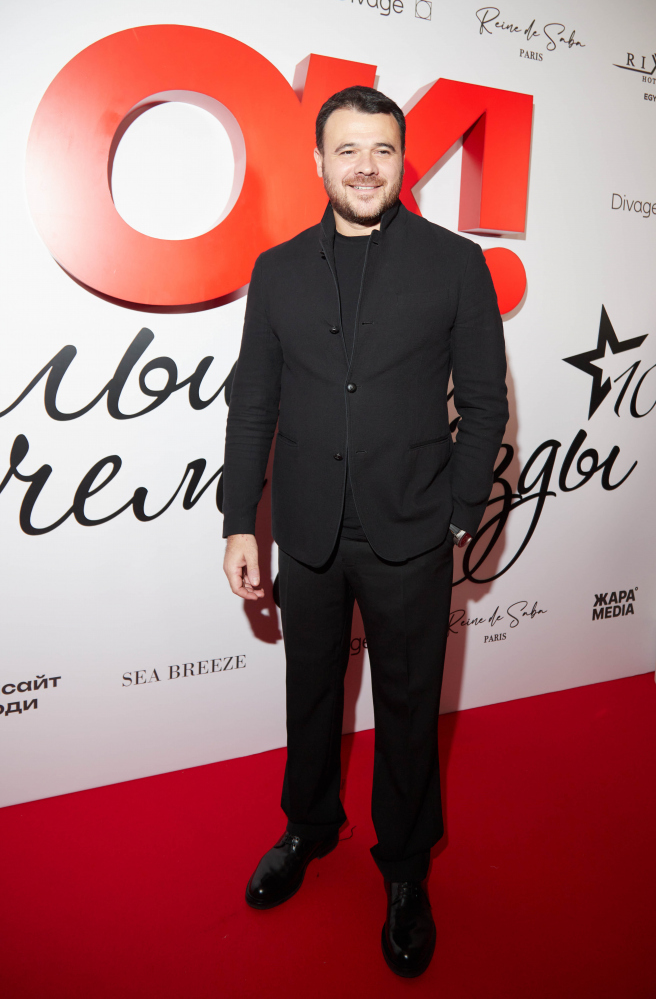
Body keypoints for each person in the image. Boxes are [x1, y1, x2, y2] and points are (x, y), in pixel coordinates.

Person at [222, 85, 508, 977]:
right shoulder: (277, 270)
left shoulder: (455, 263)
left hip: (412, 527)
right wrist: (238, 521)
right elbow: (253, 402)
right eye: (347, 149)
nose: (365, 166)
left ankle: (407, 868)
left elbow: (487, 403)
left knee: (410, 707)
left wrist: (459, 511)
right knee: (309, 693)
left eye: (382, 149)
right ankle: (307, 826)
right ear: (319, 160)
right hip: (306, 528)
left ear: (401, 159)